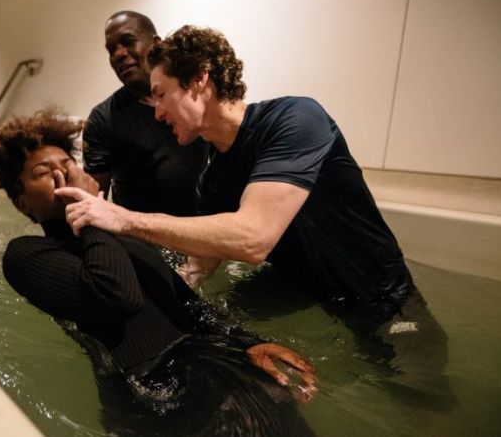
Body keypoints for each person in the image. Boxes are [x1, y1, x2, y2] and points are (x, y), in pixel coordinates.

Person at [58, 25, 454, 409]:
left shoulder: (296, 119)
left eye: (161, 95)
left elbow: (253, 238)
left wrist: (124, 219)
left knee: (419, 401)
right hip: (299, 289)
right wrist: (151, 302)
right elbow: (200, 265)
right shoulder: (212, 180)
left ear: (198, 80)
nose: (157, 112)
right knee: (210, 321)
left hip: (381, 297)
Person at [0, 108, 317, 436]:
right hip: (154, 393)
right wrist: (89, 212)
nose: (65, 176)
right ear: (23, 204)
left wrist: (249, 344)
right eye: (45, 172)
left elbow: (188, 304)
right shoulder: (26, 254)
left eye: (68, 166)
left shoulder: (119, 237)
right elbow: (116, 295)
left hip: (217, 367)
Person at [83, 11, 209, 216]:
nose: (119, 54)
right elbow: (93, 204)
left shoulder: (195, 96)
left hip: (205, 229)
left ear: (156, 44)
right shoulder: (103, 119)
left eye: (128, 42)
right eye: (111, 50)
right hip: (143, 238)